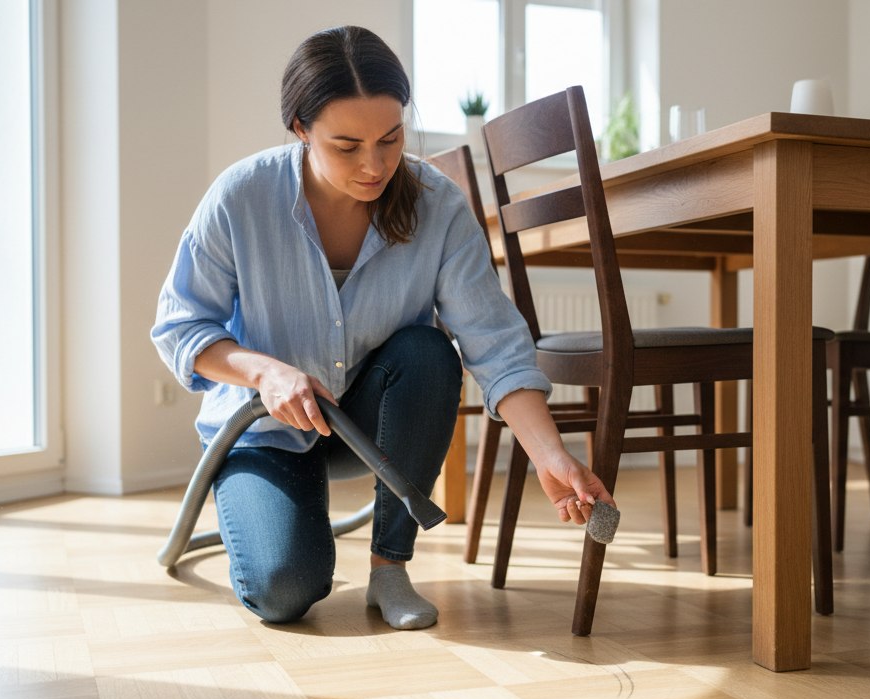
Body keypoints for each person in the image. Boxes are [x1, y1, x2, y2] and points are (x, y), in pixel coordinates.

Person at [150, 25, 614, 631]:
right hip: (264, 432)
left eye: (390, 140)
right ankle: (285, 521)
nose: (374, 166)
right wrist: (264, 371)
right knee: (283, 592)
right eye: (346, 146)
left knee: (429, 351)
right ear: (299, 128)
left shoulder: (437, 205)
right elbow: (181, 326)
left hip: (369, 429)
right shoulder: (241, 197)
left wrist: (551, 454)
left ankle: (389, 566)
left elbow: (494, 343)